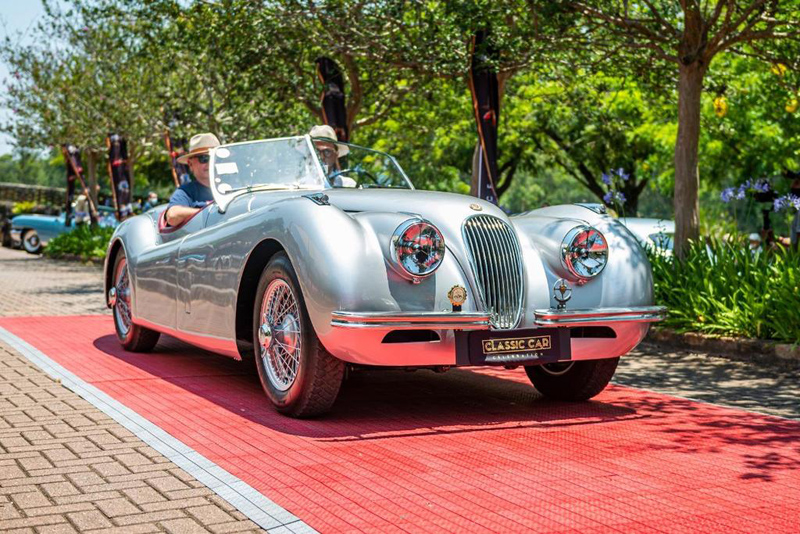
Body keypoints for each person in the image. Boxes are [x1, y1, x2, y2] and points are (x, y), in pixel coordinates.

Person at [165, 133, 219, 227]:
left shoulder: (236, 186)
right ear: (190, 164)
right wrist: (209, 214)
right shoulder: (186, 192)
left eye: (216, 157)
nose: (211, 162)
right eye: (204, 158)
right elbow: (172, 216)